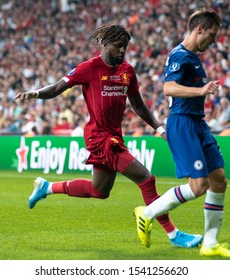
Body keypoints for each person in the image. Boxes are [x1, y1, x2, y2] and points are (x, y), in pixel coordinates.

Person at [15, 24, 201, 248]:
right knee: (146, 179)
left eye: (125, 47)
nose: (122, 51)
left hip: (114, 136)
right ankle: (174, 235)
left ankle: (47, 188)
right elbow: (56, 89)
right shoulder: (88, 68)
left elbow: (139, 105)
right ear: (105, 44)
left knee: (99, 191)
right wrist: (33, 93)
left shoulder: (127, 71)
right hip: (100, 138)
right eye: (117, 46)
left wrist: (159, 129)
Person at [134, 9, 230, 257]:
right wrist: (202, 91)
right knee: (198, 185)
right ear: (199, 29)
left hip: (198, 123)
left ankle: (210, 244)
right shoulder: (179, 55)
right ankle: (147, 213)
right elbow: (168, 88)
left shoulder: (194, 57)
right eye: (212, 35)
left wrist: (202, 90)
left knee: (219, 180)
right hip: (182, 124)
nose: (213, 41)